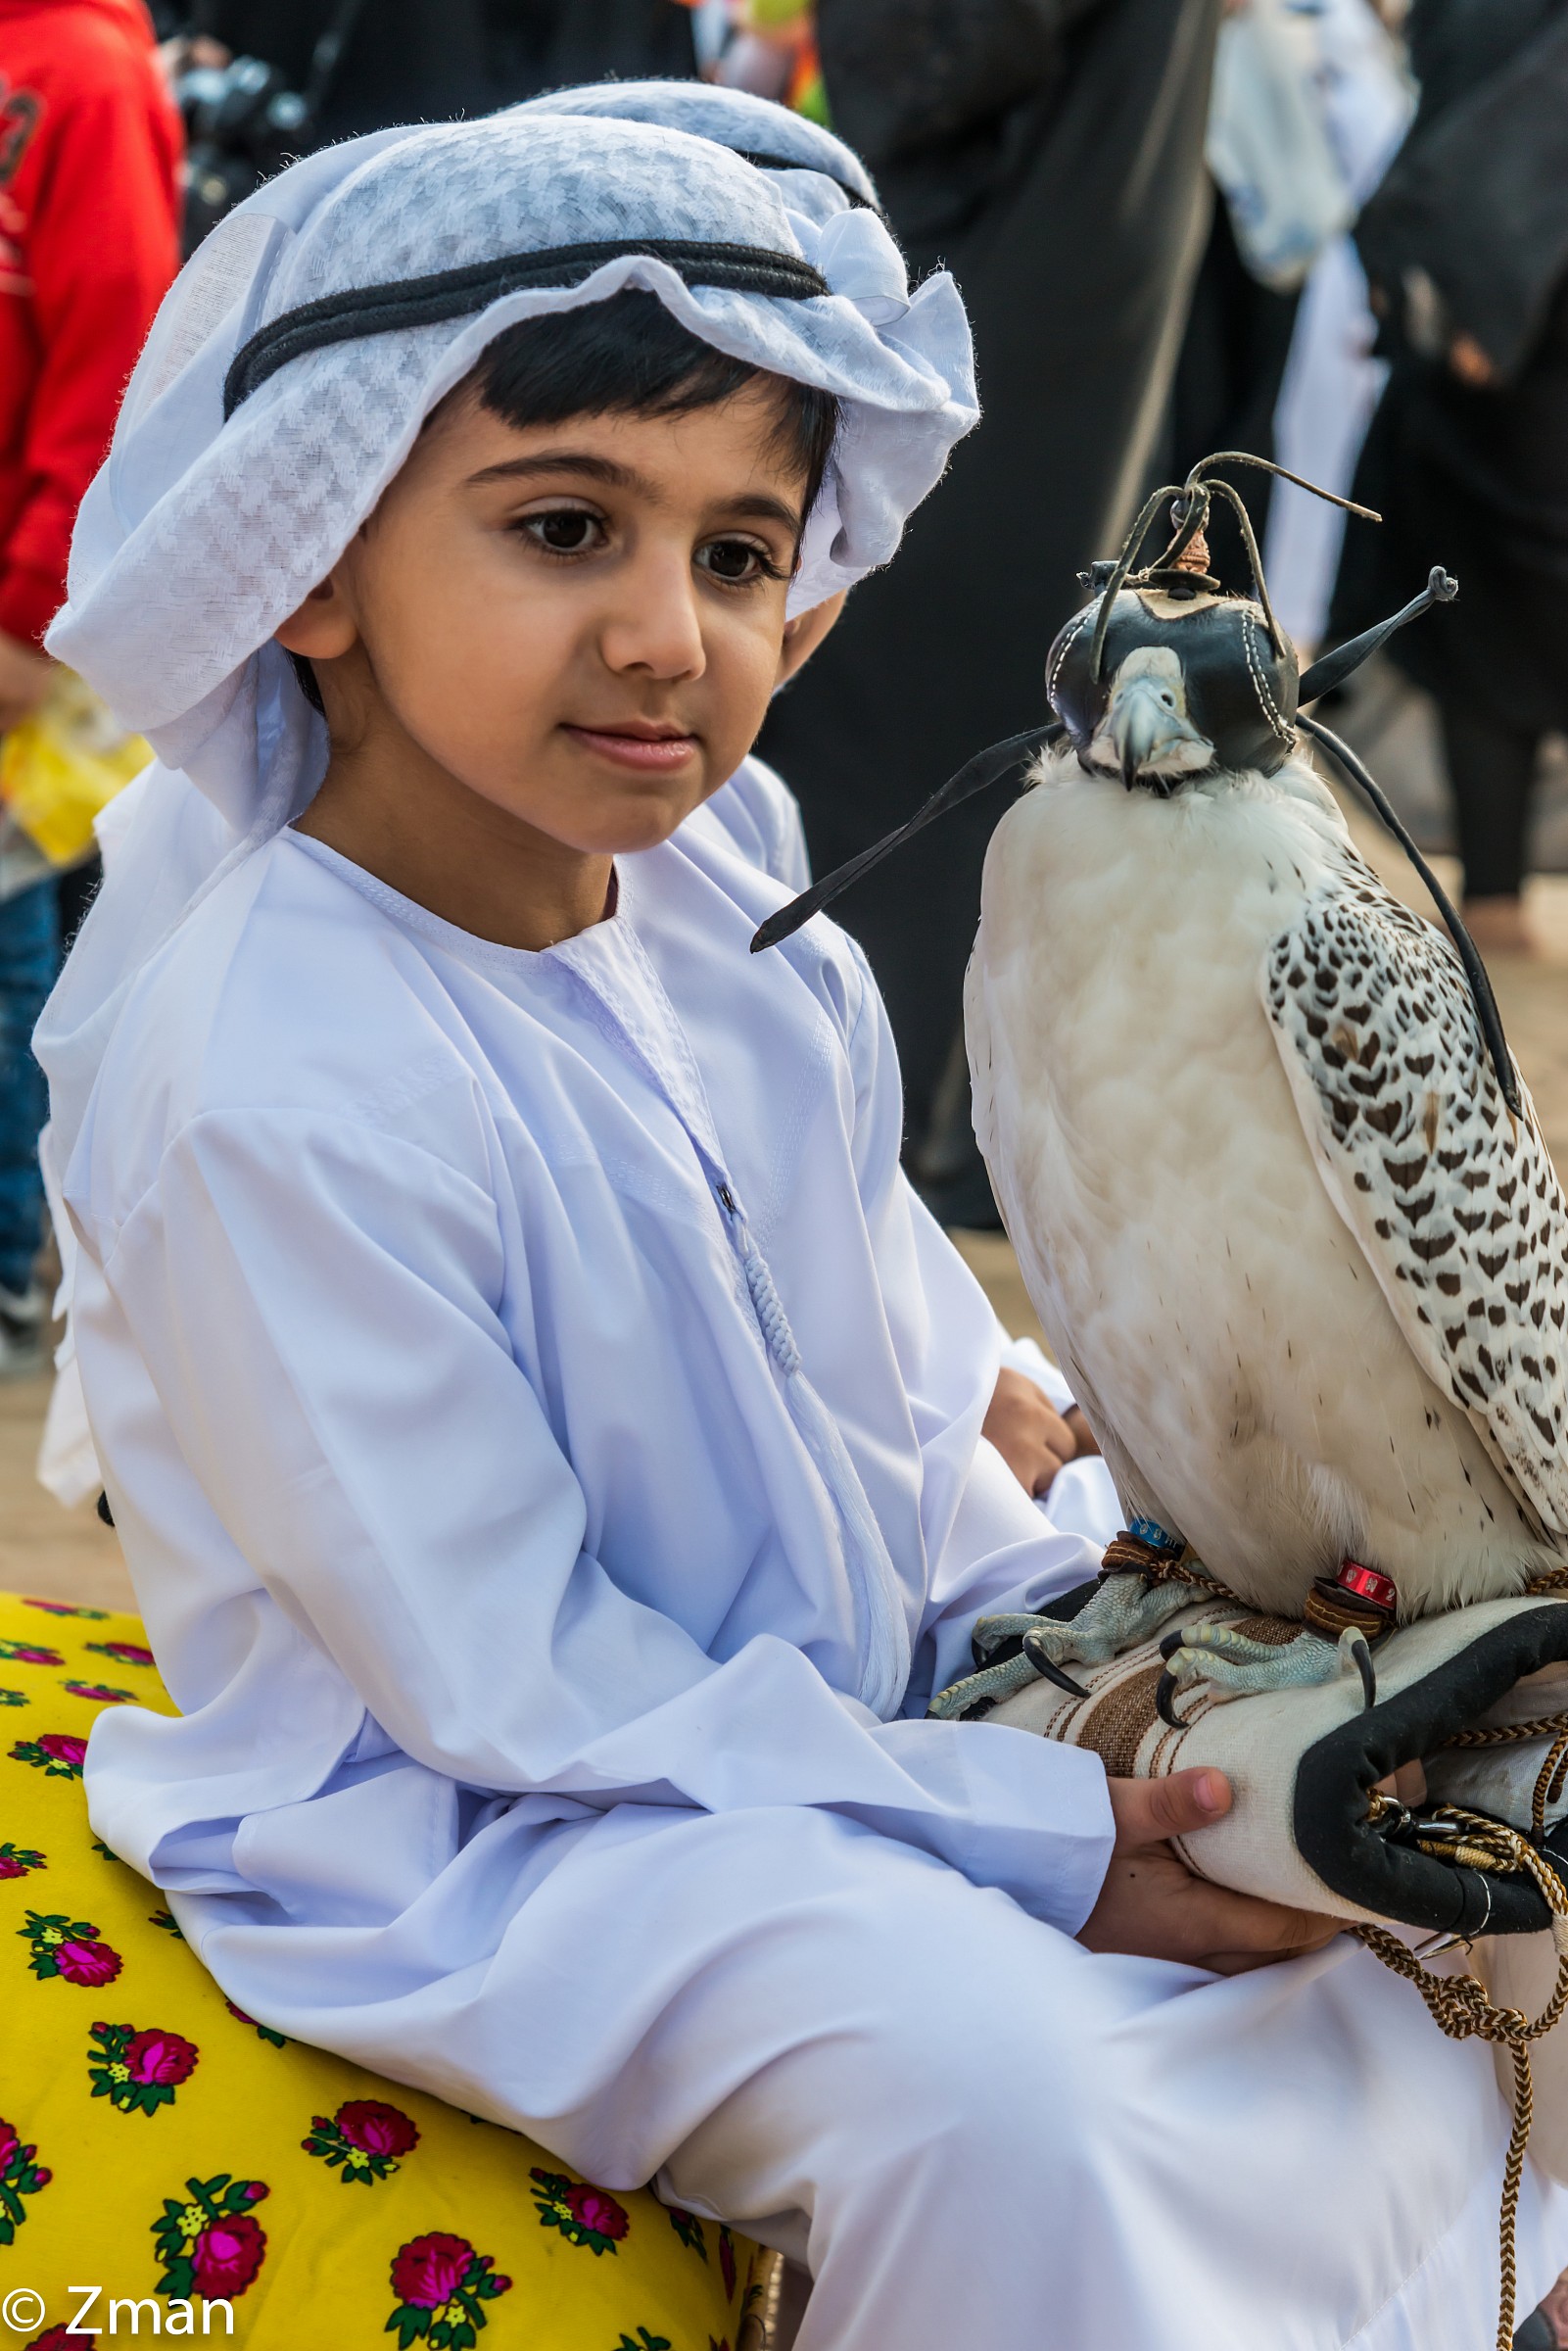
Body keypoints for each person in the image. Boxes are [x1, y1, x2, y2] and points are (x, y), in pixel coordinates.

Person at [36, 95, 1565, 2351]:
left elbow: (862, 1315)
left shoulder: (728, 867)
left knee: (1462, 1847)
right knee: (1007, 2091)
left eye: (740, 554)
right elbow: (514, 1676)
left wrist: (1046, 1488)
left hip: (879, 1670)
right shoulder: (273, 1069)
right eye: (564, 526)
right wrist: (1045, 1836)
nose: (667, 631)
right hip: (524, 1828)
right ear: (315, 561)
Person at [761, 0, 1221, 1225]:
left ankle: (862, 1122)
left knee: (883, 679)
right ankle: (930, 1113)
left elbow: (938, 62)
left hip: (1002, 271)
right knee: (983, 692)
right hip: (1081, 239)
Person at [0, 0, 180, 1367]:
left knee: (10, 939)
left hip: (24, 624)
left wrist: (31, 607)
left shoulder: (86, 74)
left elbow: (117, 355)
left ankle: (6, 1267)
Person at [1333, 0, 1568, 956]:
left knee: (1485, 612)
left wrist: (1471, 276)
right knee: (1481, 608)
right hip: (1494, 344)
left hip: (1503, 331)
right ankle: (1495, 901)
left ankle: (1497, 897)